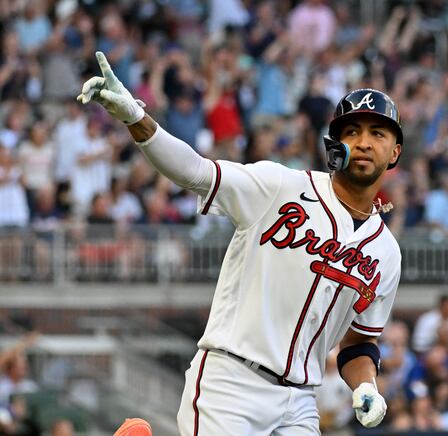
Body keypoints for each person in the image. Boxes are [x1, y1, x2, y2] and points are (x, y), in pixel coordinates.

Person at [78, 52, 403, 435]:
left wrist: (366, 385)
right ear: (335, 143)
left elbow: (358, 344)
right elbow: (194, 171)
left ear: (395, 151)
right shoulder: (281, 186)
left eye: (377, 133)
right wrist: (135, 116)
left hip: (300, 401)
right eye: (352, 131)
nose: (364, 142)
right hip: (231, 381)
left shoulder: (386, 253)